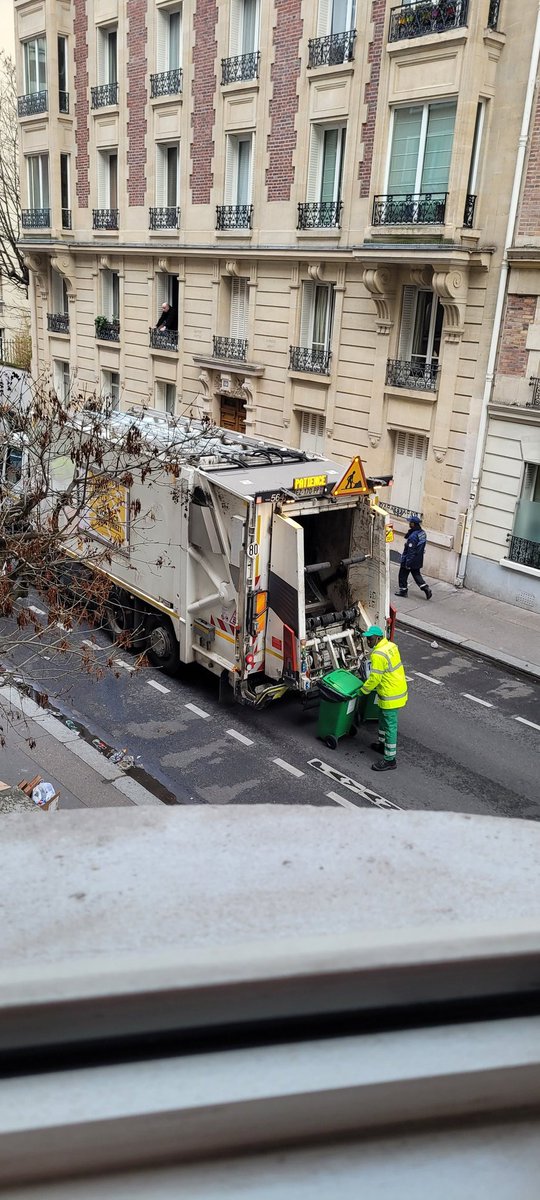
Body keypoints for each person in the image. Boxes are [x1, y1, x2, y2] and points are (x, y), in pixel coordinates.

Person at [359, 625, 408, 772]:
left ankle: (390, 759)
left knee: (390, 726)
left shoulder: (378, 654)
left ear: (378, 638)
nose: (368, 641)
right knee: (382, 718)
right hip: (397, 688)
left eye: (371, 638)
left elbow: (374, 678)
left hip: (390, 695)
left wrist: (362, 691)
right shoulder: (391, 646)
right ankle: (381, 744)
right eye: (367, 638)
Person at [395, 515, 432, 600]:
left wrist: (407, 563)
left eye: (410, 523)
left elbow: (411, 551)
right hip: (418, 558)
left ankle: (403, 591)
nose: (409, 524)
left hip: (410, 559)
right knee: (416, 574)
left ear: (413, 524)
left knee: (402, 575)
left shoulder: (413, 537)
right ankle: (426, 588)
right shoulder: (422, 533)